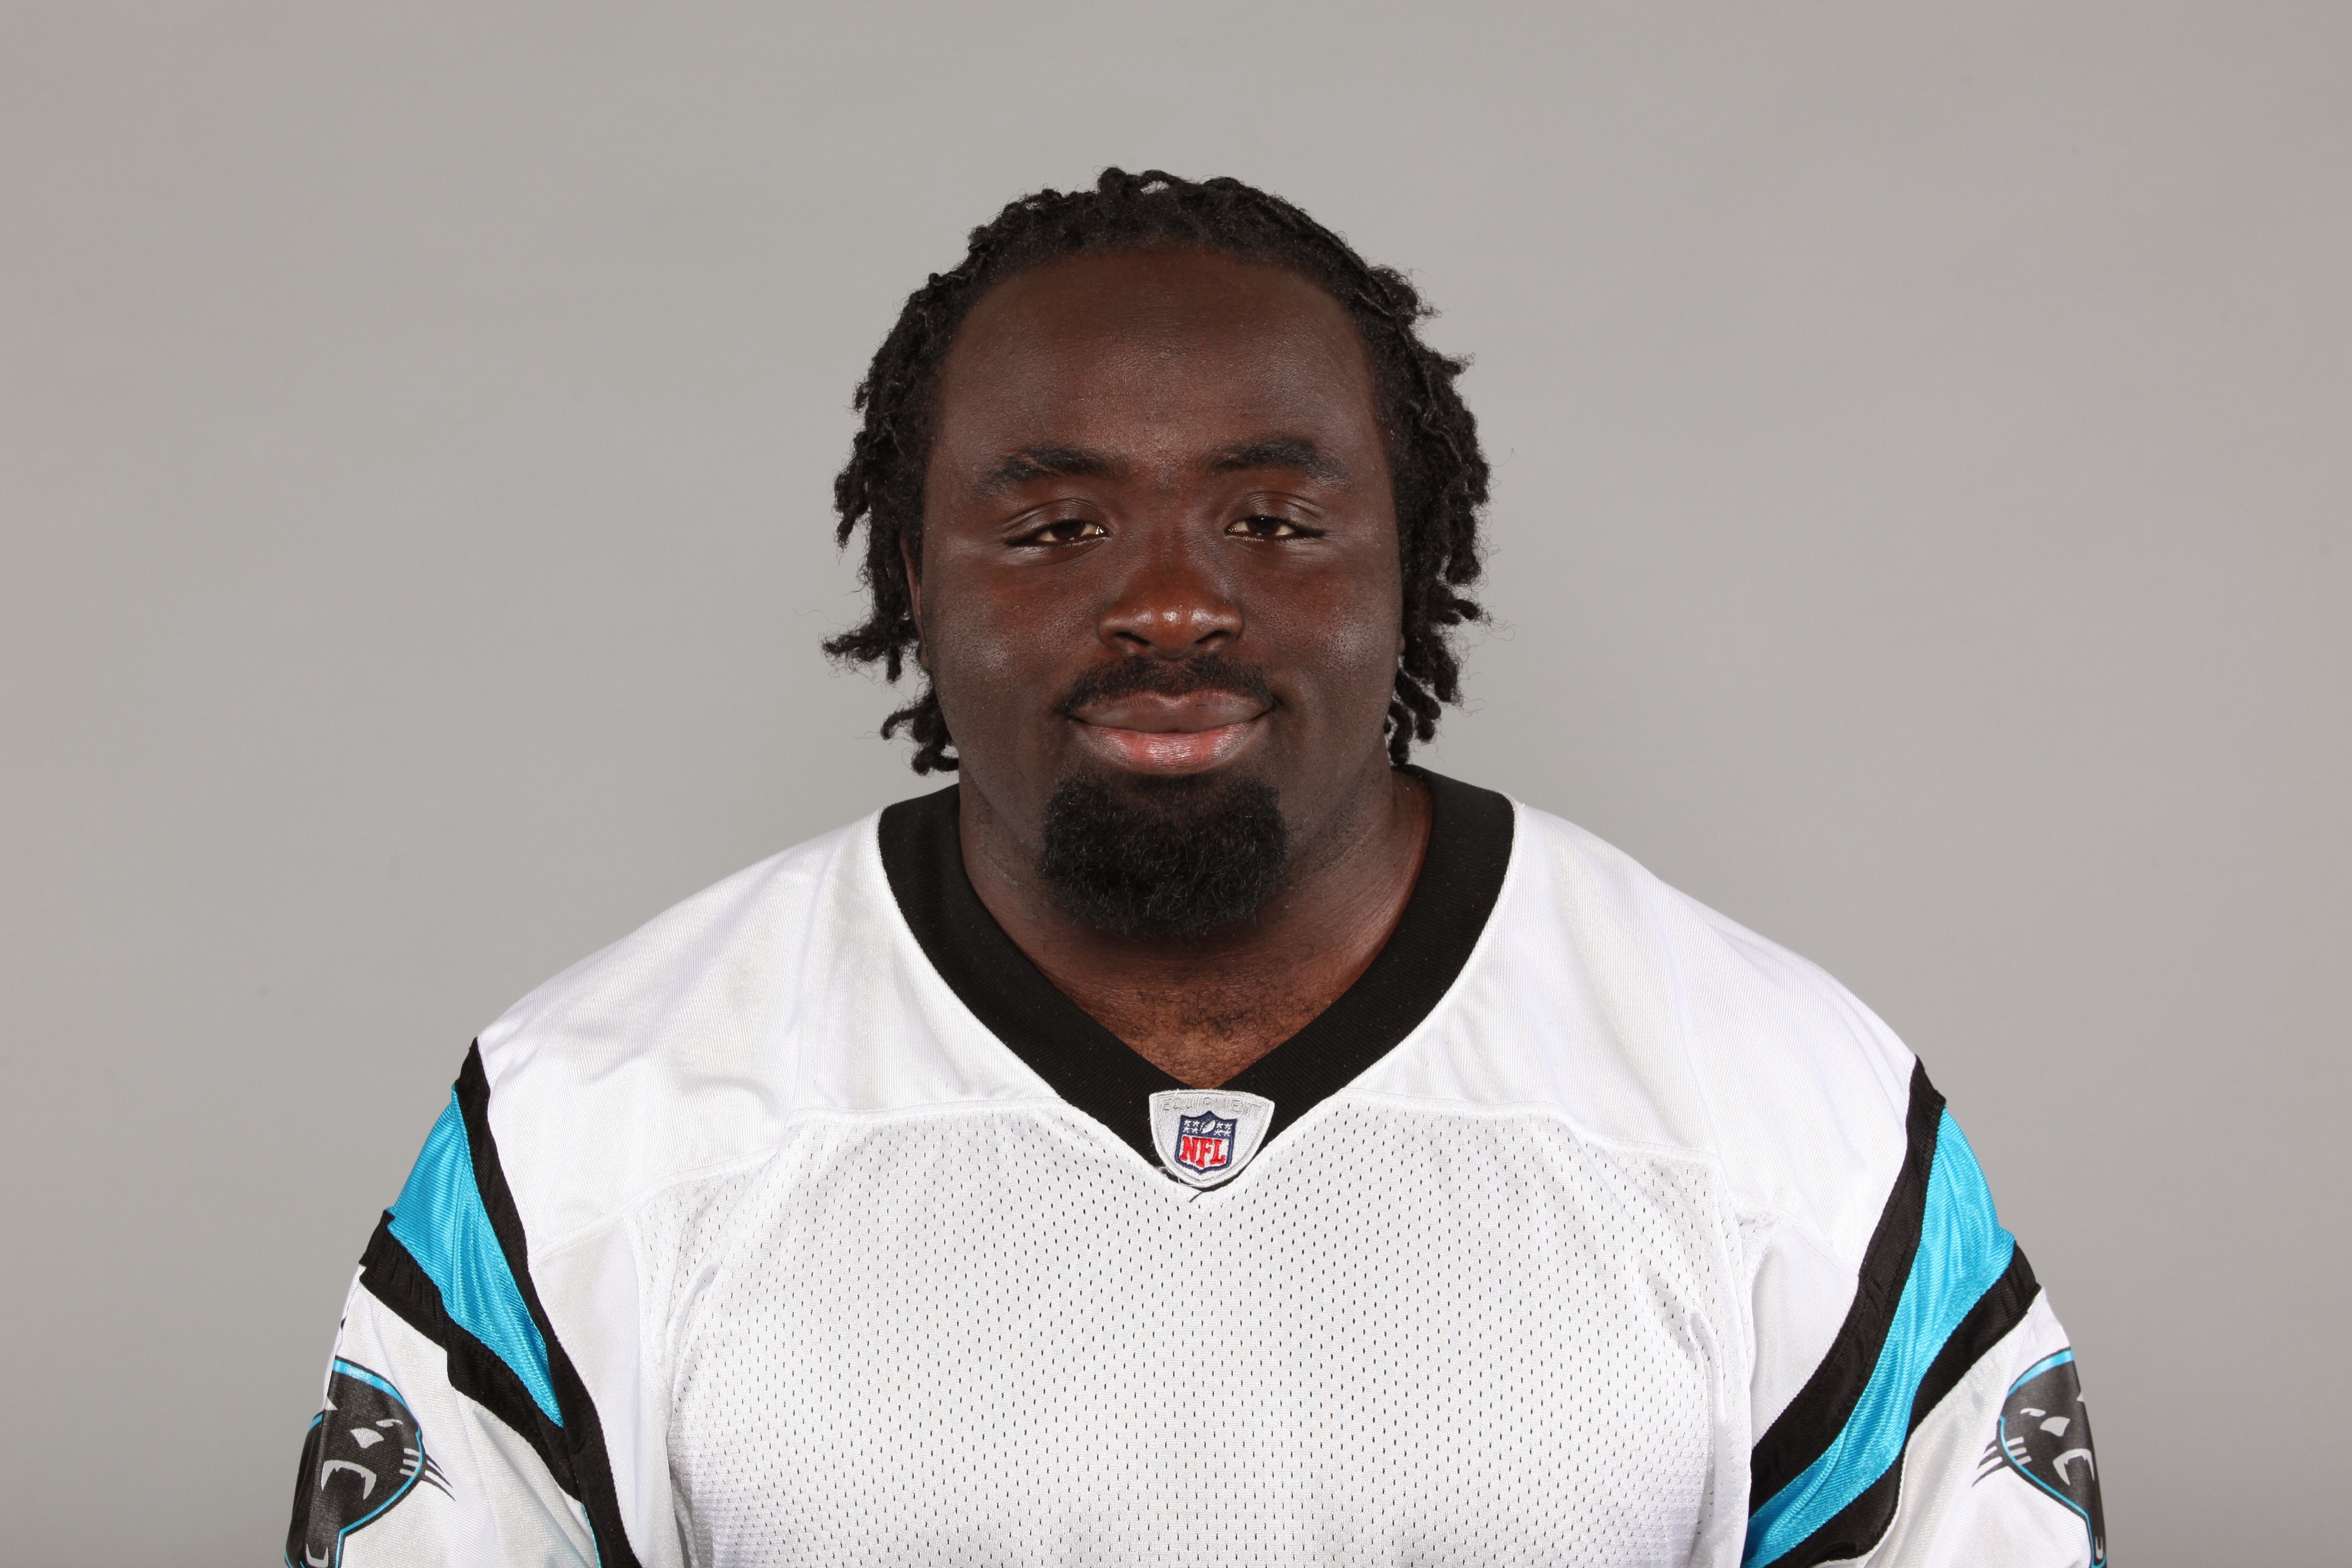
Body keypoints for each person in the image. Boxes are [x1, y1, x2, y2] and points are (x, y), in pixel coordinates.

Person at [285, 169, 2105, 1568]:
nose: (1171, 604)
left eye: (1276, 520)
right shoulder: (587, 1124)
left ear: (1414, 563)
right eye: (1056, 526)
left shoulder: (1789, 1114)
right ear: (916, 579)